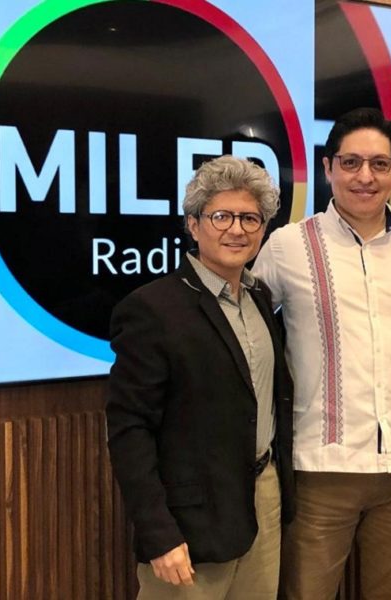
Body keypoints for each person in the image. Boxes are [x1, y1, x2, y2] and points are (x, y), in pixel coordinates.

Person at [253, 107, 391, 599]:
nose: (366, 177)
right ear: (327, 168)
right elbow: (245, 331)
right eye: (351, 163)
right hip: (323, 468)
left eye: (380, 165)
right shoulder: (287, 246)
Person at [106, 155, 294, 600]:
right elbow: (130, 429)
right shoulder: (152, 308)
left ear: (263, 230)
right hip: (190, 524)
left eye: (250, 218)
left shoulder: (260, 297)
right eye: (221, 216)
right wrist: (159, 534)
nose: (237, 229)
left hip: (263, 502)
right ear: (193, 225)